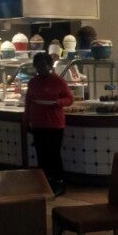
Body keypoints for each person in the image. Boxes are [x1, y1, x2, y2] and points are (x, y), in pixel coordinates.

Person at [22, 52, 74, 197]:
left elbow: (70, 99)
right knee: (41, 155)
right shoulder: (33, 82)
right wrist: (26, 122)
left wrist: (58, 102)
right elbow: (28, 103)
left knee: (54, 155)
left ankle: (59, 183)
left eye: (43, 66)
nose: (41, 69)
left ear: (50, 66)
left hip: (55, 124)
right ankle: (45, 183)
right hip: (38, 124)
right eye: (38, 66)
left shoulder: (58, 81)